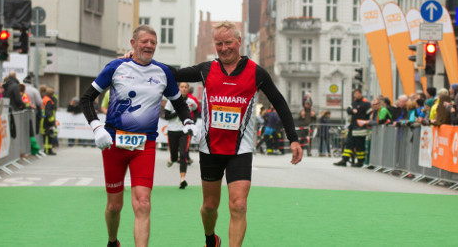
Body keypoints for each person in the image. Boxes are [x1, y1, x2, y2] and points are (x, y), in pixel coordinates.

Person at [172, 21, 302, 247]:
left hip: (240, 150)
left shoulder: (256, 72)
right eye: (219, 44)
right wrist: (139, 60)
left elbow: (279, 103)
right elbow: (174, 73)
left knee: (239, 204)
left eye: (228, 42)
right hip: (210, 149)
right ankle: (211, 238)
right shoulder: (206, 69)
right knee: (209, 206)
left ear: (239, 42)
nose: (224, 48)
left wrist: (293, 139)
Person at [79, 25, 196, 247]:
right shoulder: (116, 67)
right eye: (145, 41)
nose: (149, 45)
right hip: (114, 143)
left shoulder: (162, 72)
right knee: (114, 206)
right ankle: (113, 241)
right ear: (133, 44)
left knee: (143, 203)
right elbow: (87, 98)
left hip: (145, 145)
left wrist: (188, 121)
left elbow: (179, 102)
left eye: (153, 42)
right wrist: (96, 127)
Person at [164, 82, 198, 189]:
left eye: (185, 87)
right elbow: (166, 116)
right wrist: (179, 112)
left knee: (183, 154)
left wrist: (193, 122)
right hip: (172, 131)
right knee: (175, 157)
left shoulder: (191, 102)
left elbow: (196, 111)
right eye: (181, 87)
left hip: (185, 131)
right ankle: (172, 158)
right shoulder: (171, 101)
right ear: (178, 88)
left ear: (188, 89)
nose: (183, 89)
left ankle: (182, 179)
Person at [334, 89, 371, 167]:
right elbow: (348, 110)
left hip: (361, 128)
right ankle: (344, 159)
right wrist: (352, 111)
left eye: (357, 93)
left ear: (360, 94)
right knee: (349, 143)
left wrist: (366, 122)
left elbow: (369, 114)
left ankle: (360, 161)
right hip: (353, 127)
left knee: (360, 145)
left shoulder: (366, 103)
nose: (355, 95)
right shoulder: (354, 103)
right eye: (355, 94)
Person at [41, 87, 57, 155]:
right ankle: (49, 150)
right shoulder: (49, 101)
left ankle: (46, 150)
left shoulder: (44, 99)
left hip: (44, 119)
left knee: (45, 135)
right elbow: (49, 111)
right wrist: (52, 121)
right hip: (48, 120)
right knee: (49, 135)